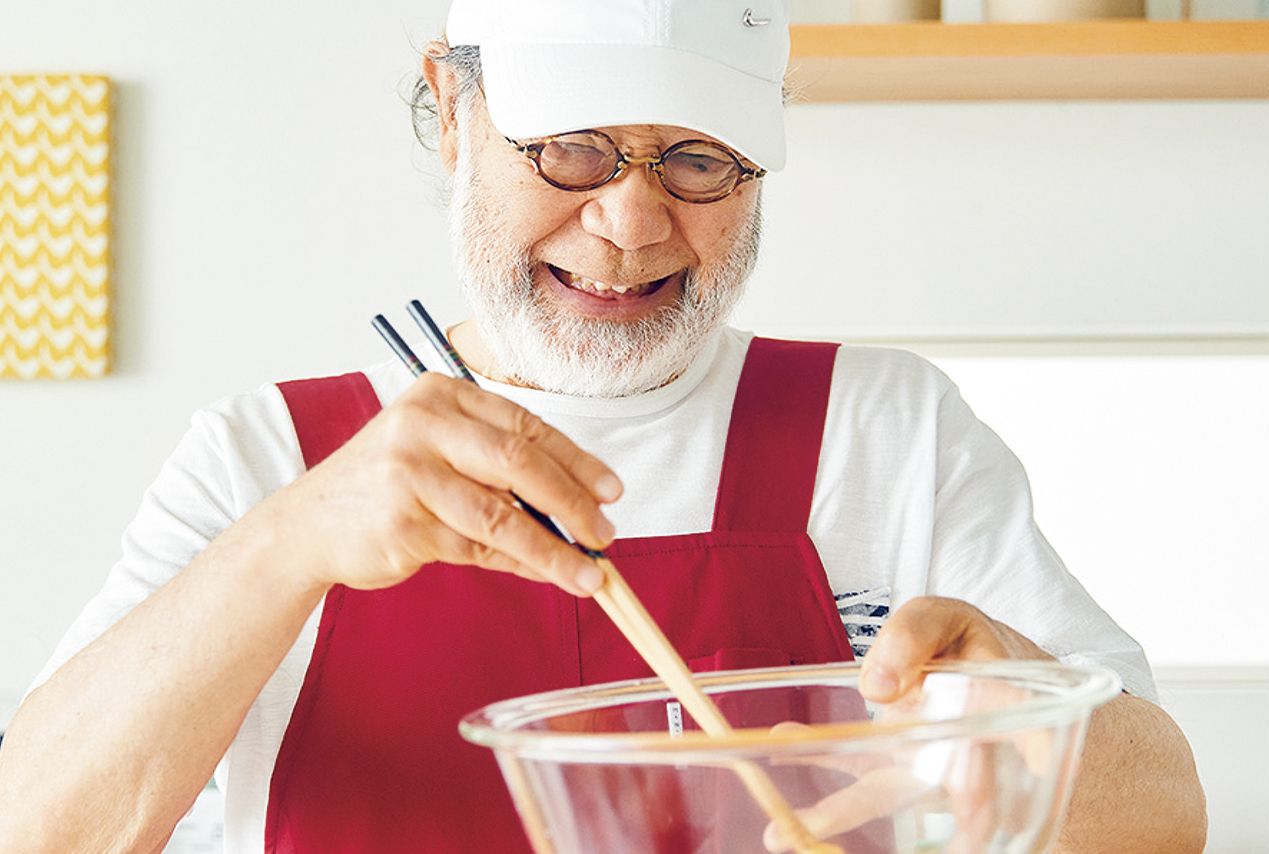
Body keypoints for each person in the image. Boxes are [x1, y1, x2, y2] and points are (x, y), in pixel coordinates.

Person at [0, 1, 1206, 851]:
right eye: (570, 147)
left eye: (695, 161)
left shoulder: (886, 431)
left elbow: (1163, 821)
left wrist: (1029, 716)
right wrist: (282, 550)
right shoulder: (264, 456)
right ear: (451, 107)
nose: (630, 222)